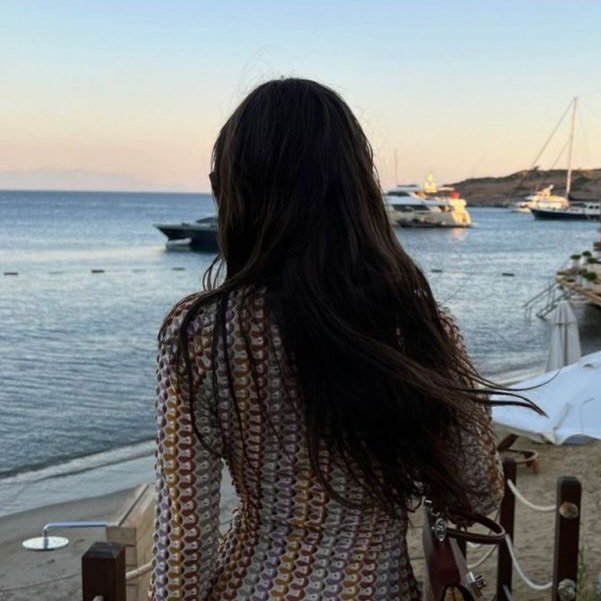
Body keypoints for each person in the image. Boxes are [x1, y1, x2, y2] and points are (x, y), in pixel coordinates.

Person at [149, 78, 531, 600]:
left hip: (253, 583)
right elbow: (479, 491)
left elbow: (184, 541)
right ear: (357, 190)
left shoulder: (202, 333)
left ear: (237, 191)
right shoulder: (416, 325)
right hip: (377, 585)